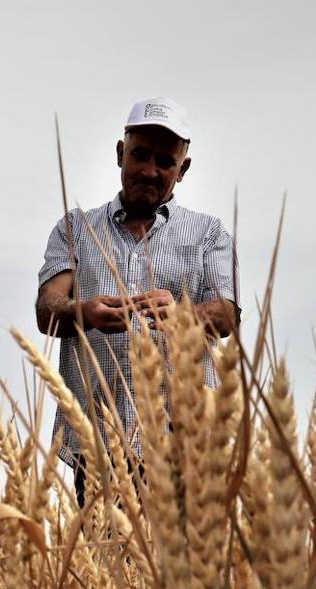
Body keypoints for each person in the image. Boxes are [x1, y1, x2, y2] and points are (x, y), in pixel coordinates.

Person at [34, 96, 238, 506]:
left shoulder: (208, 234)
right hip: (97, 446)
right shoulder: (75, 229)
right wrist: (84, 312)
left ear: (183, 169)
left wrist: (183, 315)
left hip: (186, 446)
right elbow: (46, 309)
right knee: (105, 568)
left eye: (165, 161)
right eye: (140, 155)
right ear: (119, 153)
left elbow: (226, 315)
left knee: (180, 569)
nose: (149, 170)